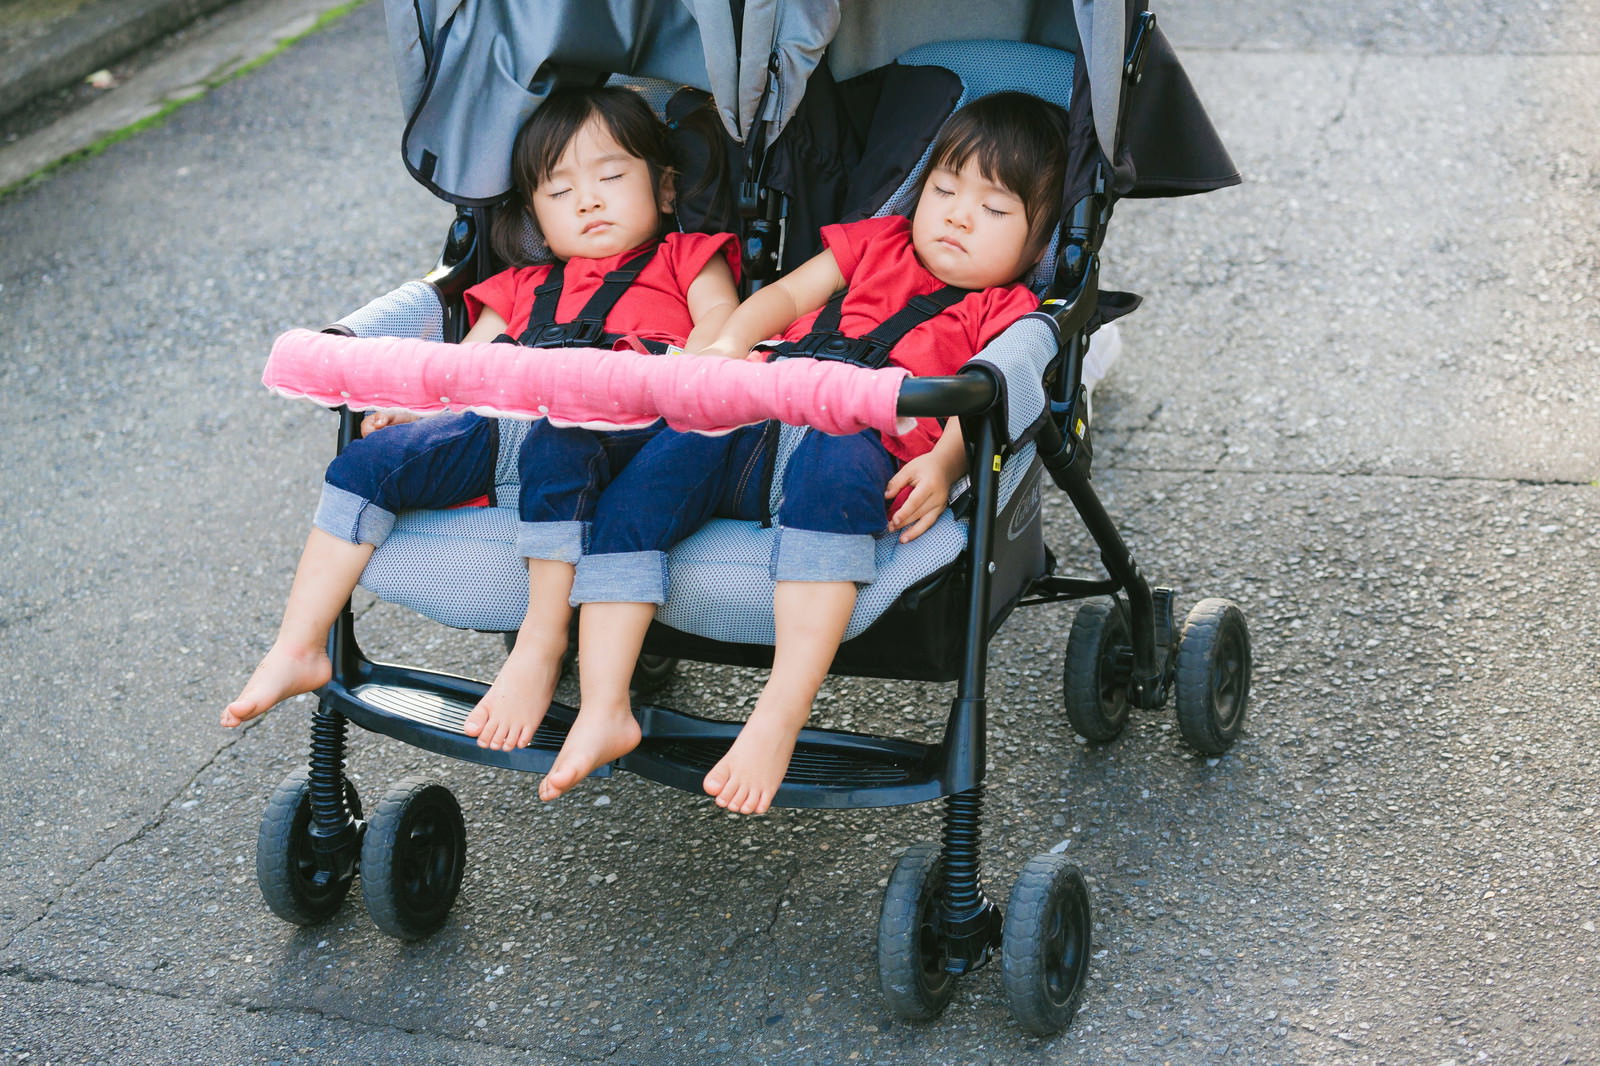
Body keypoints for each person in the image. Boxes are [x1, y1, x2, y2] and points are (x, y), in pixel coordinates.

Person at [538, 91, 1071, 814]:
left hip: (858, 437)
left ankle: (777, 717)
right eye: (944, 190)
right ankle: (605, 705)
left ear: (1037, 247)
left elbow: (987, 389)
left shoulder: (1006, 310)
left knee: (834, 465)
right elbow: (782, 299)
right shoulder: (876, 242)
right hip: (761, 412)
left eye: (995, 209)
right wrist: (727, 346)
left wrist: (945, 463)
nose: (958, 214)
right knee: (640, 489)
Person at [222, 86, 740, 743]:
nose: (588, 199)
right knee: (366, 462)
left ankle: (542, 641)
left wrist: (699, 361)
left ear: (666, 191)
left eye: (611, 176)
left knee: (564, 430)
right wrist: (413, 413)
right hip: (508, 426)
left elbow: (724, 328)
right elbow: (465, 373)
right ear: (534, 218)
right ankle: (300, 645)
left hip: (626, 428)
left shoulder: (686, 260)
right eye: (559, 192)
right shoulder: (520, 287)